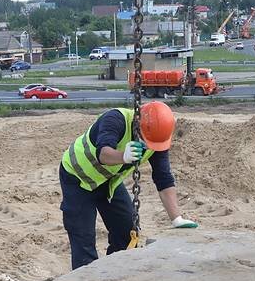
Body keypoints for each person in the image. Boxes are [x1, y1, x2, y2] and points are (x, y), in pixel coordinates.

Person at [59, 102, 198, 269]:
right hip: (77, 178)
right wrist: (122, 156)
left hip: (107, 181)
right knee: (83, 237)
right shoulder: (115, 119)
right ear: (138, 124)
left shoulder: (156, 139)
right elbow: (103, 153)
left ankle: (115, 273)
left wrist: (176, 218)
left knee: (126, 231)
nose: (149, 146)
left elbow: (163, 178)